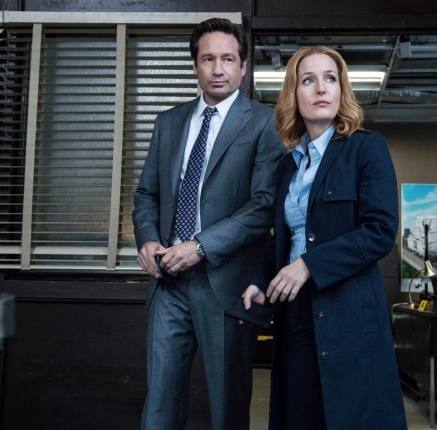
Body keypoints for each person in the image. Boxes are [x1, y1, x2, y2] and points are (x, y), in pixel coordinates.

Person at [242, 46, 408, 430]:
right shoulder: (287, 167)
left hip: (348, 315)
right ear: (294, 94)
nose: (321, 88)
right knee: (301, 416)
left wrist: (308, 266)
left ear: (341, 90)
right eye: (308, 80)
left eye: (330, 78)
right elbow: (281, 239)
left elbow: (381, 231)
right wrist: (259, 281)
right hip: (294, 313)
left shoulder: (366, 148)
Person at [133, 18, 284, 430]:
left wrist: (200, 246)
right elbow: (147, 194)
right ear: (195, 66)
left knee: (227, 410)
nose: (219, 69)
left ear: (244, 66)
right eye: (208, 59)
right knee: (159, 405)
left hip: (226, 284)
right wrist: (147, 239)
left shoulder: (264, 122)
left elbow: (264, 205)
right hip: (167, 282)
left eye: (228, 59)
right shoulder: (169, 122)